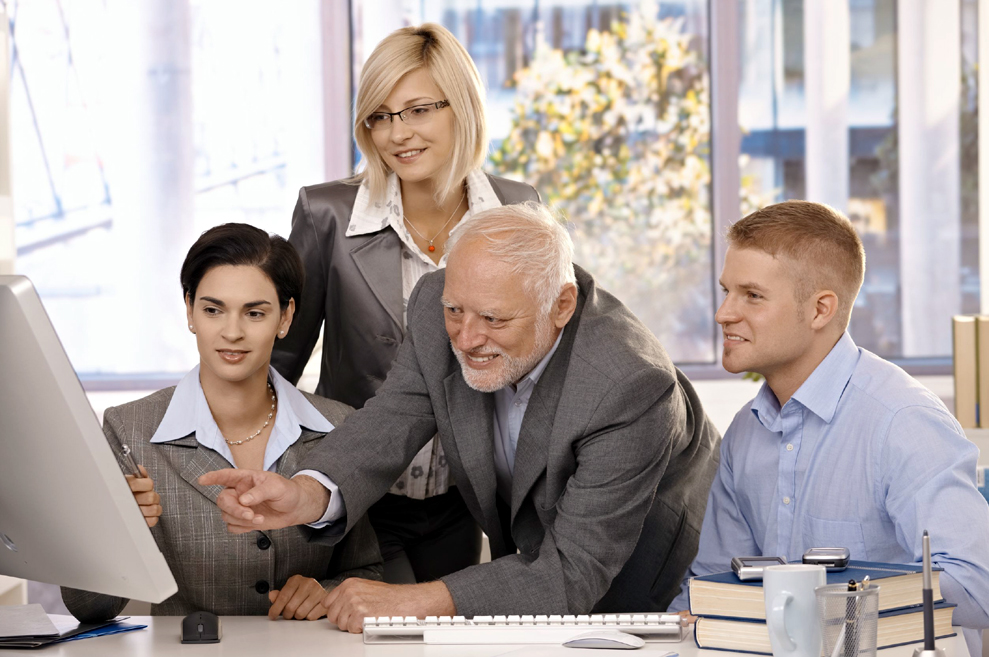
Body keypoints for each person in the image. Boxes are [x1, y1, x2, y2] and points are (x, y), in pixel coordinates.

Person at [201, 202, 721, 632]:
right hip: (536, 564)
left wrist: (410, 601)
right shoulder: (435, 302)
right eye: (457, 311)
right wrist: (307, 493)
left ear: (561, 305)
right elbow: (395, 414)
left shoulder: (629, 384)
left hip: (645, 575)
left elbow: (572, 574)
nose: (467, 339)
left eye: (494, 319)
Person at [270, 23, 539, 586]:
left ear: (460, 107)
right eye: (381, 115)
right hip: (358, 494)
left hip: (464, 499)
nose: (398, 133)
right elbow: (278, 365)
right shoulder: (327, 215)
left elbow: (541, 360)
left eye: (418, 110)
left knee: (449, 639)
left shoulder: (519, 208)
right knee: (372, 636)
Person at [666, 200, 989, 655]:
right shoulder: (745, 431)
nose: (723, 313)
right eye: (726, 292)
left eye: (752, 296)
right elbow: (712, 589)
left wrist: (839, 598)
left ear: (820, 310)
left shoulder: (902, 421)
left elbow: (978, 584)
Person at [61, 223, 382, 622]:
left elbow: (367, 570)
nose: (232, 332)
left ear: (286, 317)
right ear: (190, 311)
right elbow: (87, 608)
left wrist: (327, 593)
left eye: (254, 313)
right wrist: (116, 534)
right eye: (213, 310)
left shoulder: (337, 425)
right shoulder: (129, 430)